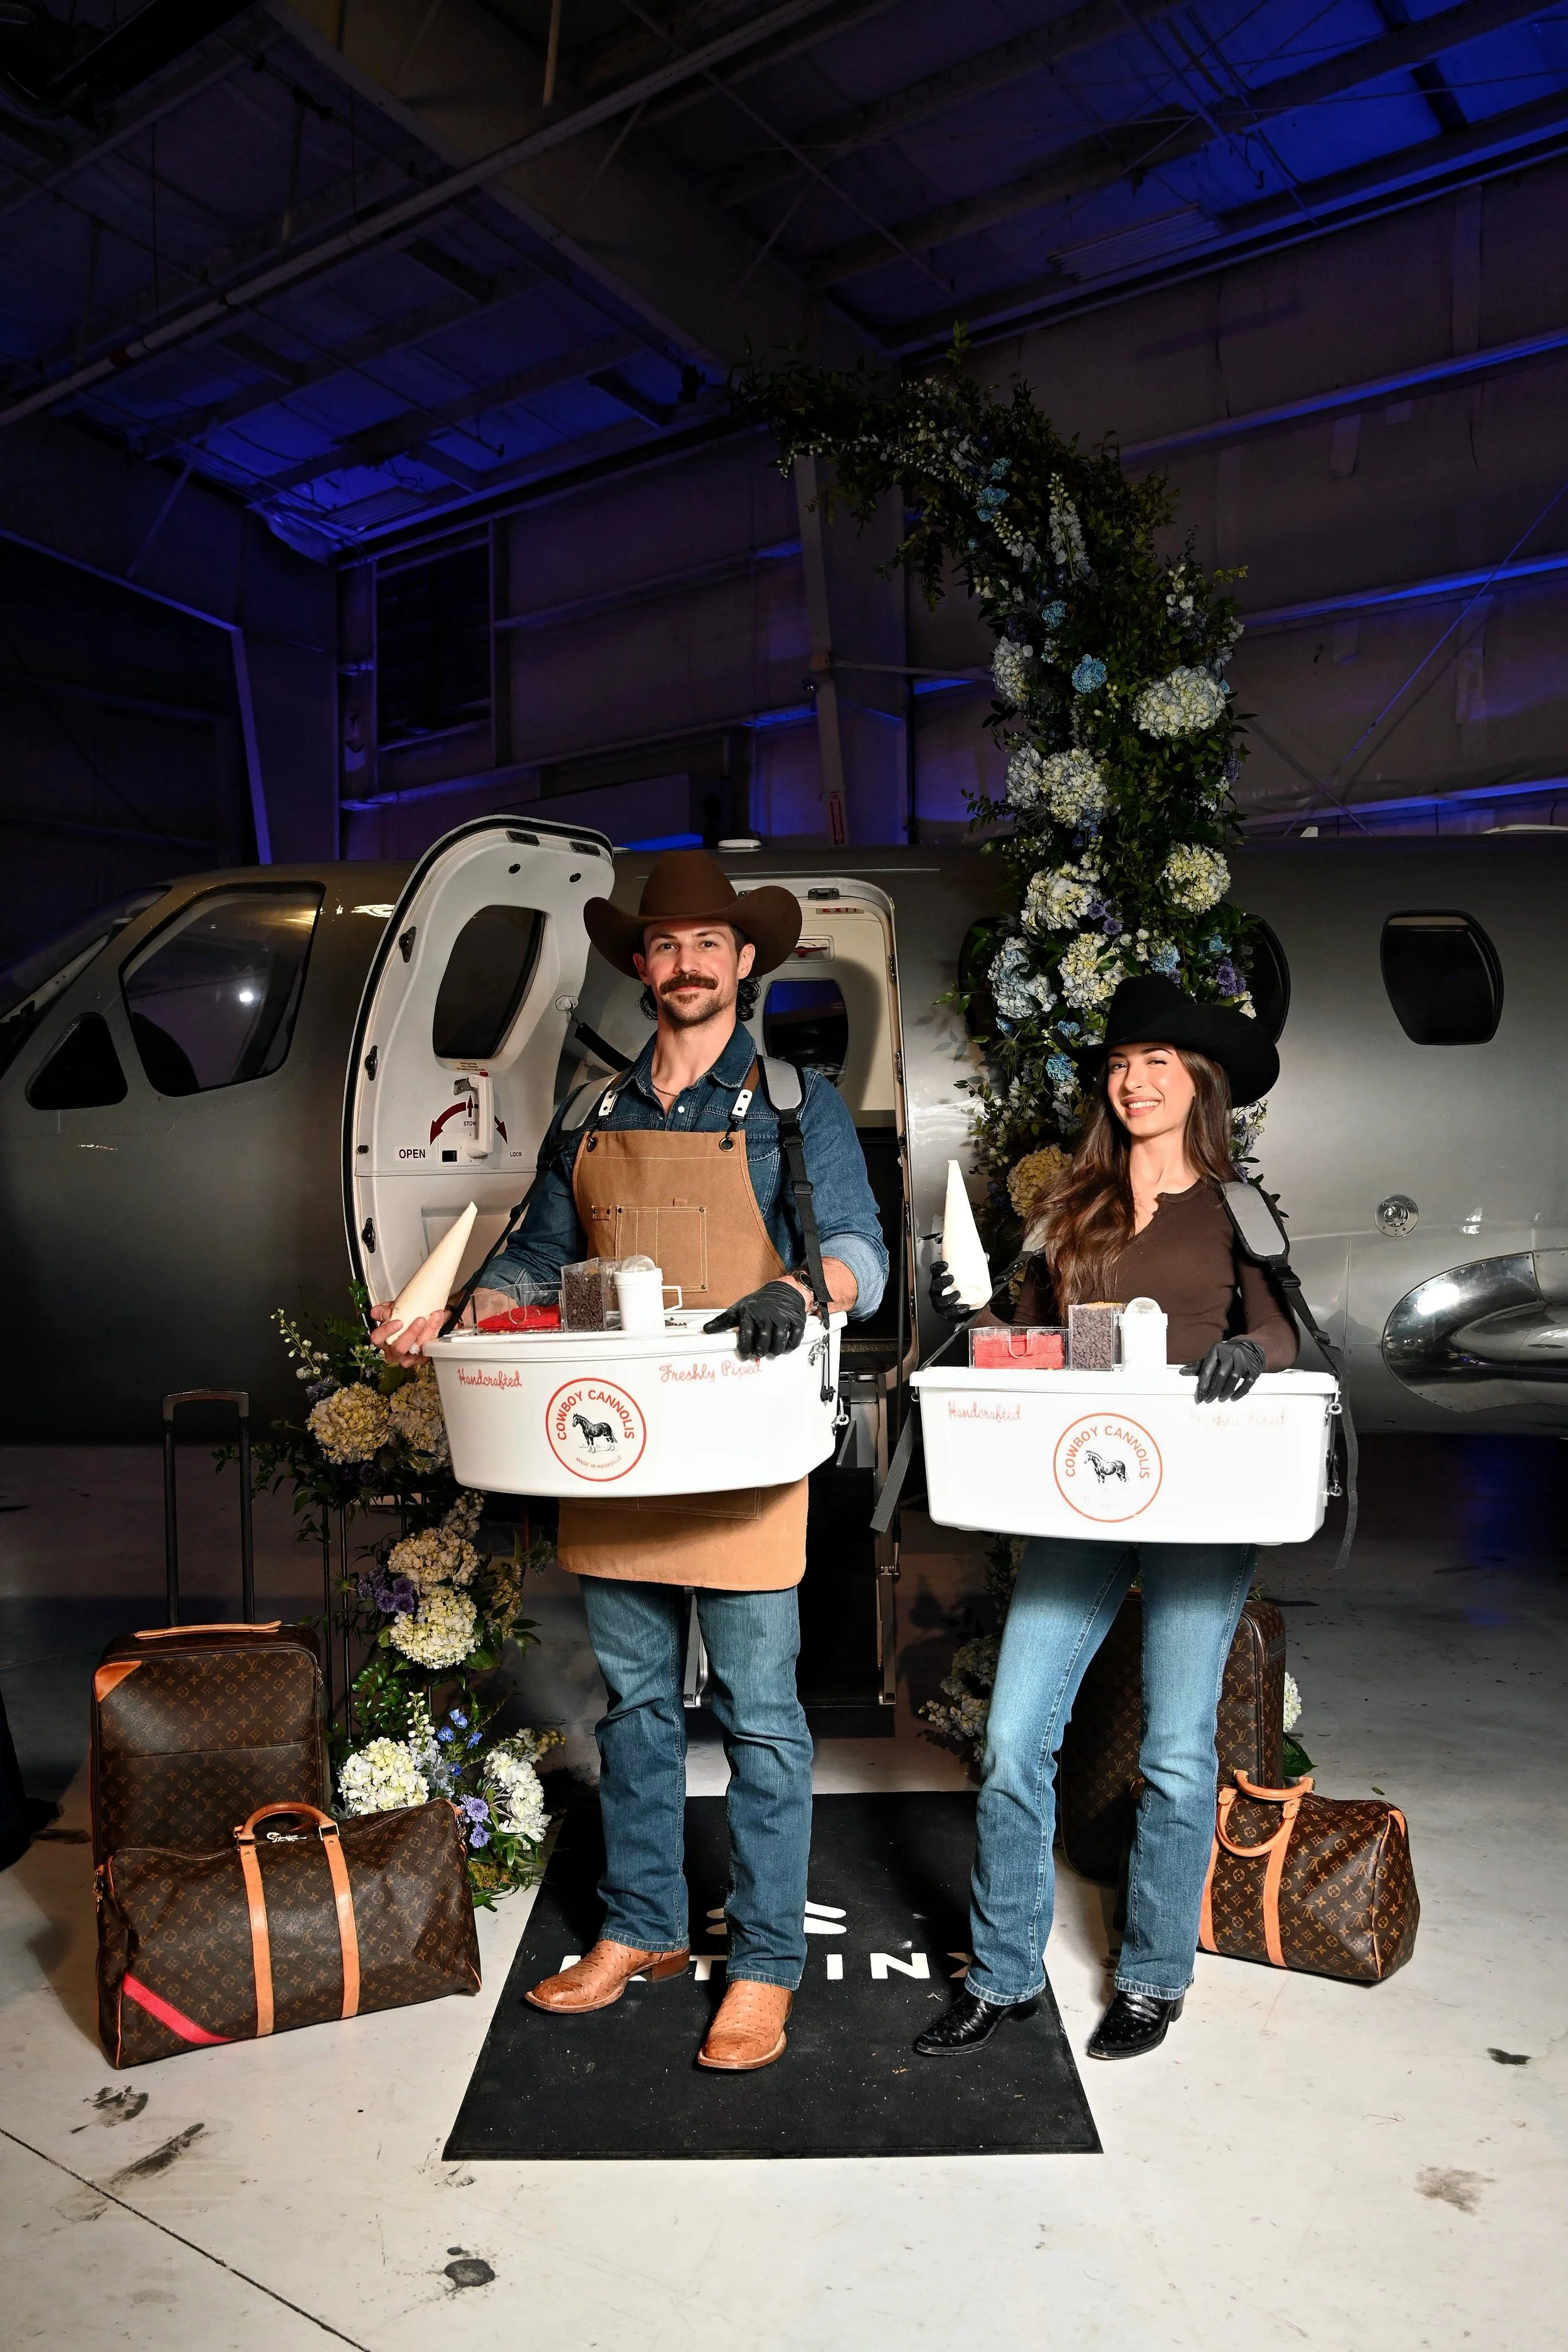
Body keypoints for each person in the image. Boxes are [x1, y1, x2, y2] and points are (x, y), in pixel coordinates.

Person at [373, 849, 887, 2074]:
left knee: (760, 1718)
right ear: (640, 968)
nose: (686, 963)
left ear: (743, 961)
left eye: (708, 943)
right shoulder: (591, 1114)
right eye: (664, 946)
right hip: (613, 1446)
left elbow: (863, 1246)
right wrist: (458, 1312)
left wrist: (800, 1288)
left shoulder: (789, 1104)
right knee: (639, 1707)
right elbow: (534, 1258)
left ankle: (762, 1964)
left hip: (746, 1443)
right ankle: (643, 1927)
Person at [916, 973, 1296, 2064]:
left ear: (1199, 1085)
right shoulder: (1069, 1209)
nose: (1134, 1082)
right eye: (1122, 1064)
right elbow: (1025, 1341)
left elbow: (1284, 1331)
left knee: (1176, 1752)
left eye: (1158, 1065)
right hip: (1080, 1487)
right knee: (1009, 1740)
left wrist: (1245, 1351)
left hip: (1201, 1490)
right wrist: (973, 1316)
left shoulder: (1237, 1207)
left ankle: (1153, 1978)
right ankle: (1001, 1974)